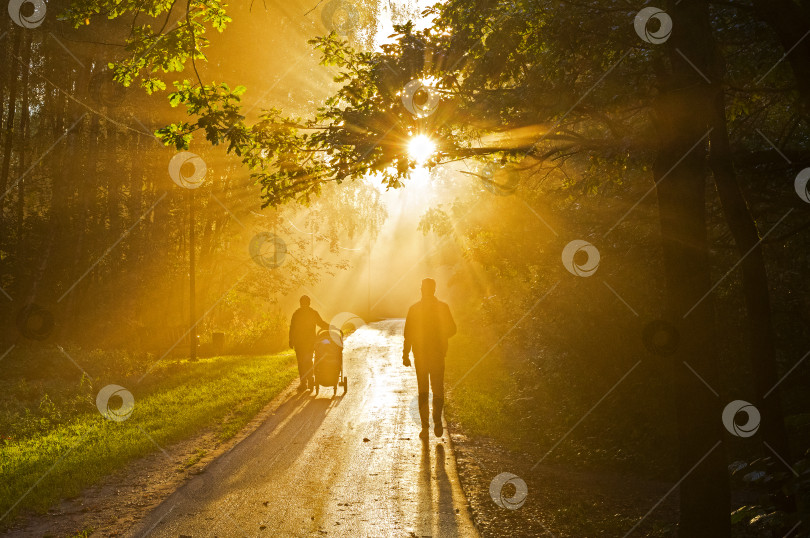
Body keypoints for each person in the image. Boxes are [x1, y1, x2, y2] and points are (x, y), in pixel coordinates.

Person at [402, 278, 457, 440]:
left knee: (423, 391)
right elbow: (453, 329)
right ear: (434, 290)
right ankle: (437, 420)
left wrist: (405, 354)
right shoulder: (443, 308)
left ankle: (425, 427)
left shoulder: (414, 309)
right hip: (438, 354)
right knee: (438, 388)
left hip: (420, 356)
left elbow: (408, 334)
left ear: (421, 290)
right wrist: (441, 336)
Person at [289, 295, 330, 391]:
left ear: (307, 303)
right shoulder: (309, 313)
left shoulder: (298, 313)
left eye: (304, 303)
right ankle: (306, 382)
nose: (303, 305)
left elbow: (292, 328)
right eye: (302, 303)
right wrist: (291, 340)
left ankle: (307, 382)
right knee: (305, 362)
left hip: (305, 342)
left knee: (304, 362)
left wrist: (291, 340)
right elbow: (321, 323)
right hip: (305, 342)